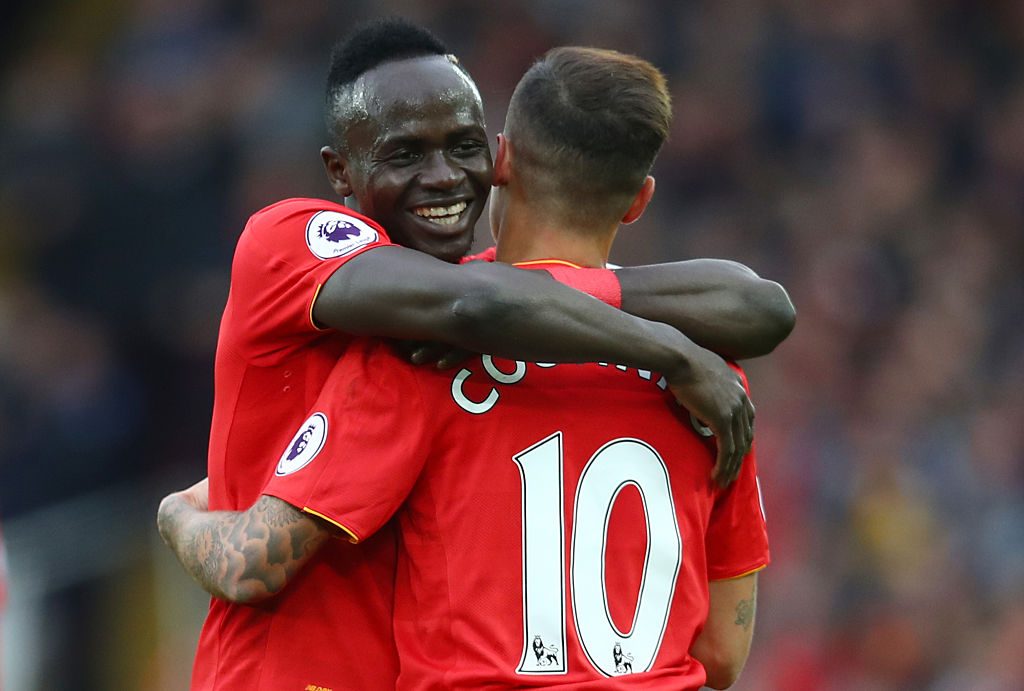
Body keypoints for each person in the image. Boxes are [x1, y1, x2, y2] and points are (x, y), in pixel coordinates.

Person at [162, 43, 775, 689]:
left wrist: (179, 510)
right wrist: (673, 352)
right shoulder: (718, 387)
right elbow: (724, 654)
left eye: (463, 147)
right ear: (339, 170)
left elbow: (249, 562)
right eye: (405, 154)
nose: (444, 176)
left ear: (500, 157)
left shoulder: (425, 355)